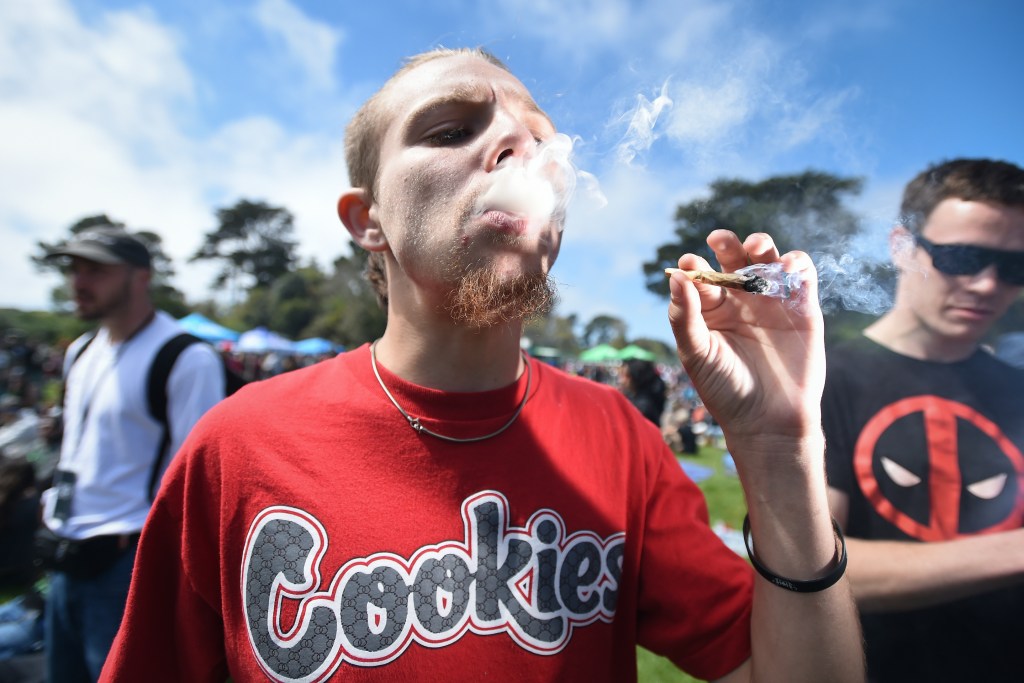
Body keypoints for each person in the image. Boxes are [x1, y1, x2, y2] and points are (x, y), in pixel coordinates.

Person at [100, 47, 862, 682]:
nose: (520, 148)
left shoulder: (619, 438)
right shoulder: (237, 447)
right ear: (368, 221)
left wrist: (780, 450)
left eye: (540, 139)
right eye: (450, 128)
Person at [822, 158, 1024, 682]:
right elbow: (816, 568)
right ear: (902, 246)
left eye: (1015, 267)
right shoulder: (826, 381)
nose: (986, 285)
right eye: (962, 257)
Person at [39, 227, 226, 682]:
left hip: (125, 562)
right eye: (75, 270)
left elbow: (197, 481)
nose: (79, 282)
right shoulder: (82, 350)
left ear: (141, 277)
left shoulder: (185, 357)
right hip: (64, 550)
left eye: (96, 270)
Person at [618, 358, 666, 426]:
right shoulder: (634, 397)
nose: (621, 381)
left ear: (636, 378)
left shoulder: (642, 407)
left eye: (627, 376)